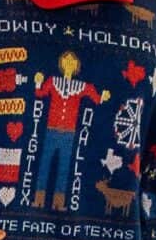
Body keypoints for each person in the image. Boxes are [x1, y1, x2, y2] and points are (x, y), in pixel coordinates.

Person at [25, 50, 106, 211]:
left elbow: (94, 96)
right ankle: (39, 200)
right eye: (66, 61)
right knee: (44, 164)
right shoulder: (53, 81)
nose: (69, 64)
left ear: (76, 66)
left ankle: (58, 203)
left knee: (64, 168)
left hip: (69, 134)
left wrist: (102, 96)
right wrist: (37, 82)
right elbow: (40, 94)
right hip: (51, 130)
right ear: (62, 64)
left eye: (72, 62)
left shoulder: (80, 86)